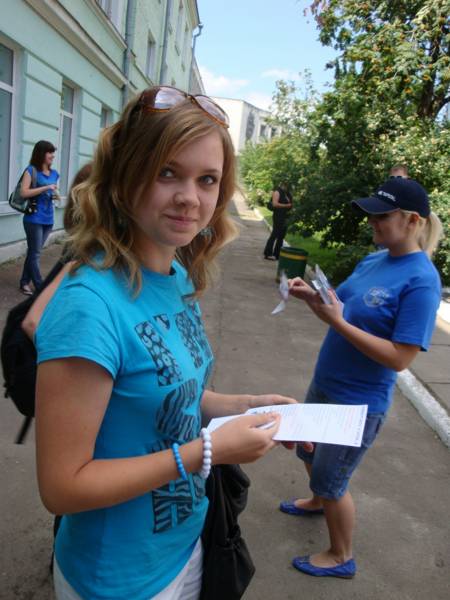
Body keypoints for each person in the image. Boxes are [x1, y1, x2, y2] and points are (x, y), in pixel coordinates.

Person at [34, 86, 297, 600]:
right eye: (167, 172)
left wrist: (246, 405)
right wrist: (207, 451)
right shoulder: (89, 305)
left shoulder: (175, 275)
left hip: (186, 545)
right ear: (126, 175)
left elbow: (172, 394)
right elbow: (62, 487)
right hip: (117, 579)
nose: (190, 198)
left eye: (207, 180)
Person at [280, 177, 443, 579]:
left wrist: (337, 322)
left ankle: (341, 555)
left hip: (358, 402)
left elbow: (400, 358)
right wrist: (315, 297)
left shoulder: (422, 281)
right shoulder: (375, 259)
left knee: (333, 480)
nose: (372, 221)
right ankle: (318, 502)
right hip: (327, 380)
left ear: (412, 221)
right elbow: (344, 304)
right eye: (371, 214)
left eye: (381, 215)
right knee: (308, 453)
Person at [19, 140, 59, 295]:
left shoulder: (54, 173)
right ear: (41, 153)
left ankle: (24, 282)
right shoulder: (31, 171)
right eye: (50, 152)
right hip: (34, 218)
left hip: (48, 218)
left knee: (33, 252)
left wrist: (55, 196)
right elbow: (24, 192)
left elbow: (51, 193)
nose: (52, 156)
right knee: (35, 253)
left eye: (53, 152)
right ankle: (40, 286)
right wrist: (46, 187)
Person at [263, 182, 292, 260]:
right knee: (275, 234)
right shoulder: (277, 192)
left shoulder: (287, 193)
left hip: (286, 217)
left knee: (281, 236)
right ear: (282, 185)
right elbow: (275, 204)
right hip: (278, 216)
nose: (286, 187)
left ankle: (277, 254)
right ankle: (268, 253)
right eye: (285, 185)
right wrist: (286, 206)